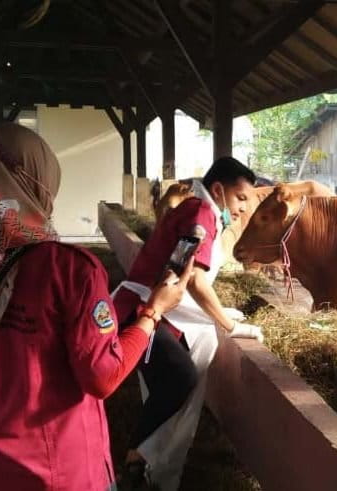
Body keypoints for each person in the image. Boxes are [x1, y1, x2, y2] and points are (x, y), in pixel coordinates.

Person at [0, 122, 192, 490]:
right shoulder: (69, 268)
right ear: (36, 186)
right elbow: (102, 376)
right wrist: (152, 312)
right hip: (52, 470)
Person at [113, 156, 264, 487]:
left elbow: (178, 270)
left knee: (172, 386)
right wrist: (229, 325)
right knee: (180, 379)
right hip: (141, 307)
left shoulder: (199, 210)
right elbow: (193, 278)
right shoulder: (201, 214)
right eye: (240, 198)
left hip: (148, 303)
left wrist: (218, 311)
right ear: (218, 190)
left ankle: (145, 469)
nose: (242, 209)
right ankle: (136, 464)